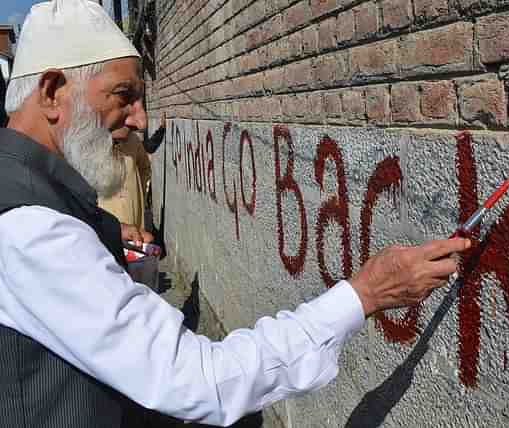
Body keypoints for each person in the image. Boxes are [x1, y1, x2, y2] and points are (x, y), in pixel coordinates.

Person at [0, 1, 470, 427]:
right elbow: (199, 378)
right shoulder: (30, 230)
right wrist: (363, 295)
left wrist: (108, 232)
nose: (140, 119)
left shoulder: (31, 192)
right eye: (123, 95)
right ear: (52, 92)